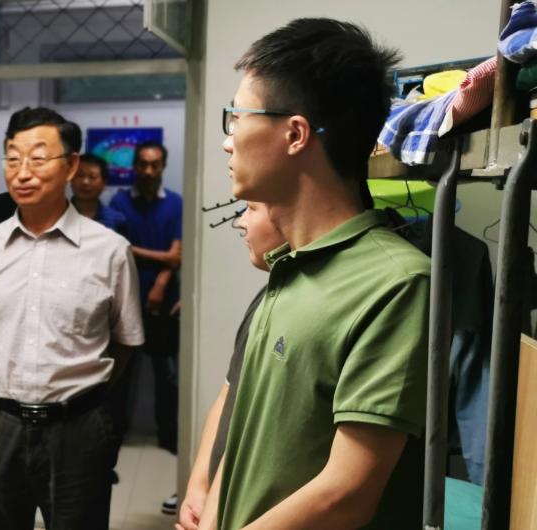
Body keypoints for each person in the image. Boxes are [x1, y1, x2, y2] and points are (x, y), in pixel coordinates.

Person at [204, 19, 429, 530]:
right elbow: (245, 435)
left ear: (295, 134)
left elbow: (347, 494)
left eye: (237, 117)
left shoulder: (396, 283)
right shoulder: (289, 267)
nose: (228, 141)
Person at [0, 106, 144, 530]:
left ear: (71, 166)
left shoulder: (110, 250)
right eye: (12, 158)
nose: (22, 172)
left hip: (78, 427)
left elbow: (125, 341)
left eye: (38, 158)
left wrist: (77, 391)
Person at [174, 201, 284, 530]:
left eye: (252, 208)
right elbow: (228, 396)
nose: (240, 222)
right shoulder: (268, 295)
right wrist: (199, 487)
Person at [108, 141, 183, 513]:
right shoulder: (120, 202)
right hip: (126, 301)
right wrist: (164, 259)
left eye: (155, 164)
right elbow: (117, 248)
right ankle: (114, 440)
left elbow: (177, 255)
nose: (149, 171)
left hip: (165, 304)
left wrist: (160, 281)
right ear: (134, 167)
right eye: (143, 164)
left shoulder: (176, 202)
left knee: (167, 377)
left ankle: (170, 439)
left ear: (163, 166)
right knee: (121, 375)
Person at [71, 153, 127, 234]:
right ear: (71, 178)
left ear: (103, 183)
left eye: (92, 177)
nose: (85, 182)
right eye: (80, 175)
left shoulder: (116, 220)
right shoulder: (58, 216)